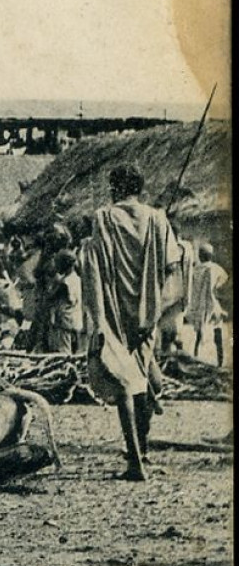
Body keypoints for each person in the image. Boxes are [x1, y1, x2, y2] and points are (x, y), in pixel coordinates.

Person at [80, 166, 177, 481]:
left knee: (125, 383)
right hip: (146, 314)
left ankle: (135, 463)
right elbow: (171, 266)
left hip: (114, 314)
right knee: (145, 380)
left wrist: (97, 319)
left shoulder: (103, 218)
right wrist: (155, 304)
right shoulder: (157, 218)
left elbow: (95, 267)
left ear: (114, 188)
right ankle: (143, 451)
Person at [186, 241, 228, 366]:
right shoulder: (215, 268)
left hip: (200, 304)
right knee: (217, 332)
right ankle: (220, 361)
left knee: (200, 333)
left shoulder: (195, 270)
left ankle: (197, 357)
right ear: (211, 255)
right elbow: (223, 281)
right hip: (213, 303)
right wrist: (215, 290)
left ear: (200, 256)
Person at [46, 249, 84, 354]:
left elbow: (50, 297)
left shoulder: (64, 283)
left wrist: (54, 282)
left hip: (64, 321)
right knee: (76, 348)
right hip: (75, 318)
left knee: (64, 349)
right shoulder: (76, 278)